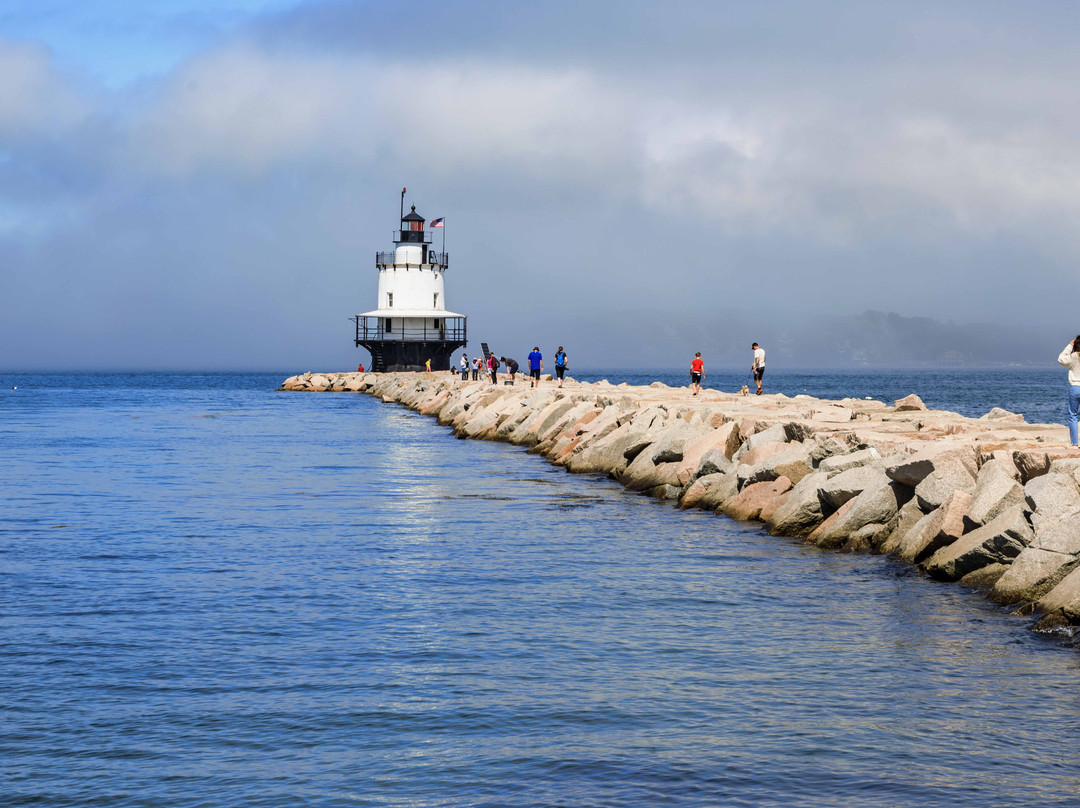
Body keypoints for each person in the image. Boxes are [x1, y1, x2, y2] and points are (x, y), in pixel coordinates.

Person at [1058, 336, 1080, 446]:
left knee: (1073, 416)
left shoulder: (1073, 357)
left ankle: (1075, 444)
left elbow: (1061, 359)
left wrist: (1069, 345)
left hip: (1075, 387)